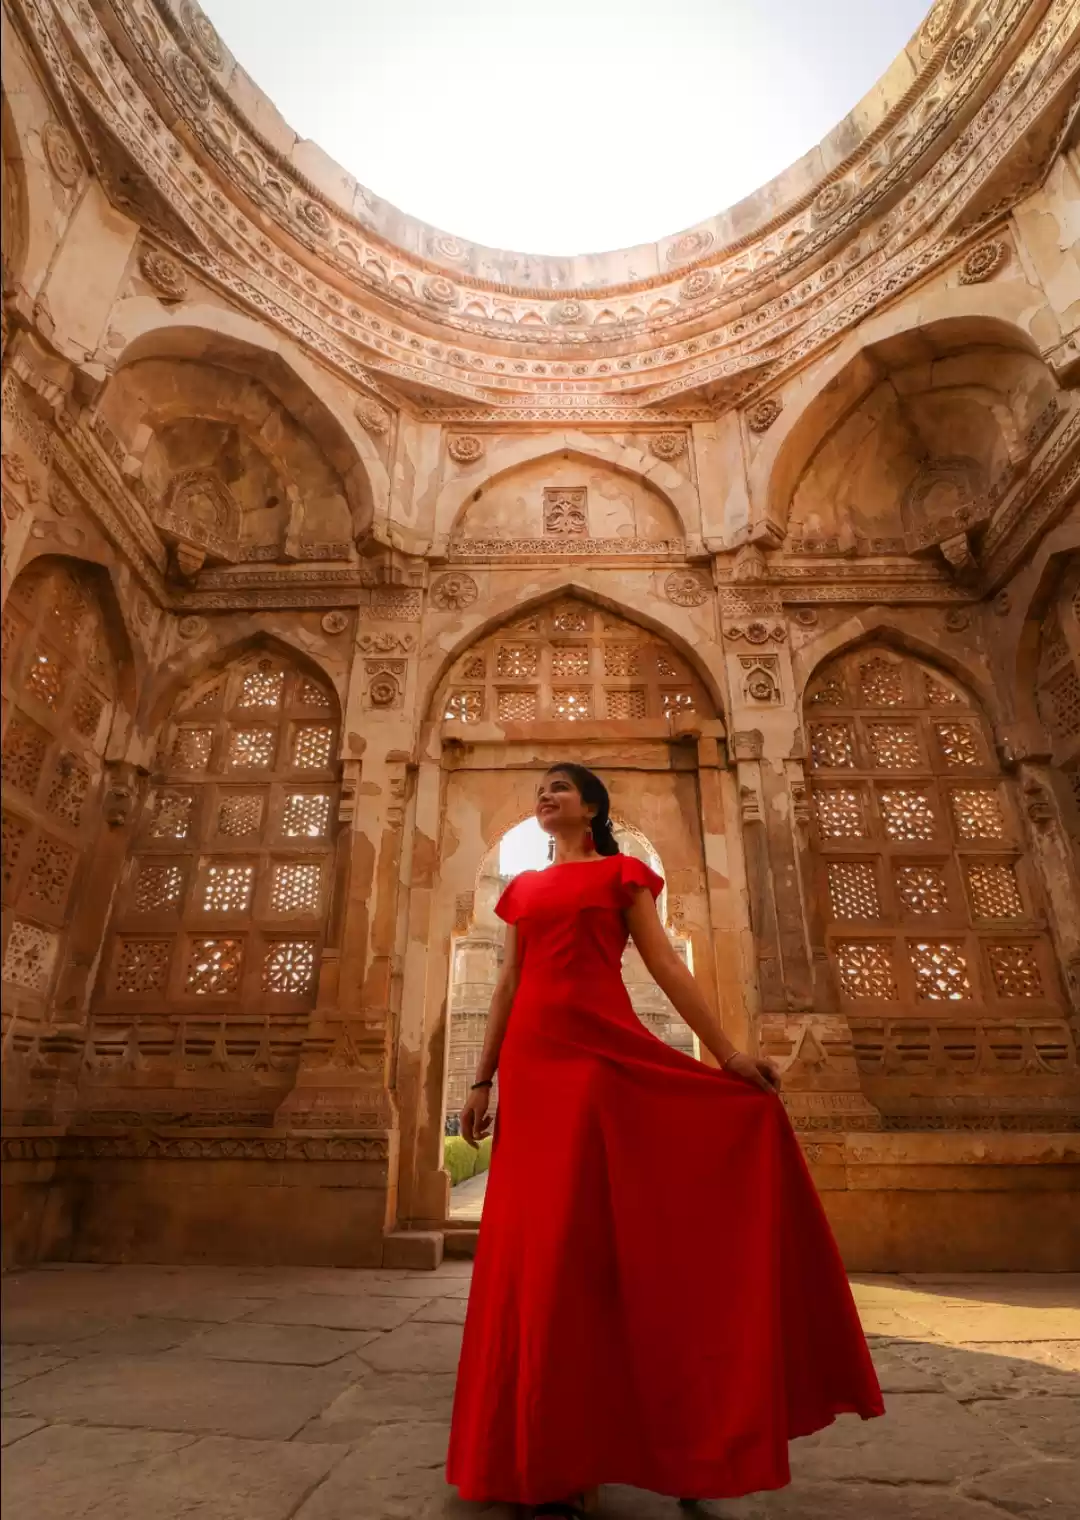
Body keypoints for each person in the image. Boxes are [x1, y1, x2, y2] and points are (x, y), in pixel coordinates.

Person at [446, 763, 883, 1517]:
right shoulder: (520, 890)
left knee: (587, 1245)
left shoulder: (624, 875)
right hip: (536, 1062)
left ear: (591, 807)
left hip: (598, 1055)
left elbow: (665, 965)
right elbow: (507, 988)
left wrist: (730, 1055)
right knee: (538, 1249)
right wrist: (482, 1081)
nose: (544, 798)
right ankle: (551, 1452)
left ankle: (608, 1446)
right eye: (539, 791)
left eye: (559, 789)